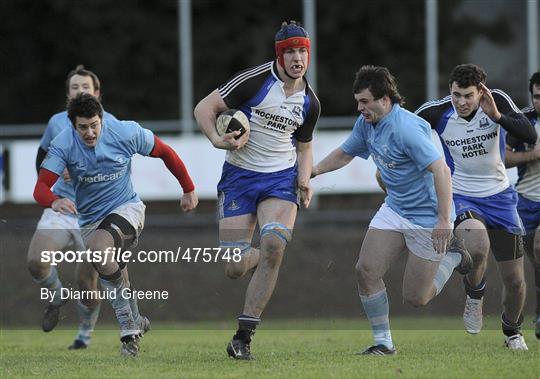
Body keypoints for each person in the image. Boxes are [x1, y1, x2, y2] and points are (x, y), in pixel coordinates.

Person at [311, 65, 471, 355]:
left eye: (364, 101)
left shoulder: (406, 128)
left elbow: (442, 171)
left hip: (427, 216)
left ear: (385, 99)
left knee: (416, 298)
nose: (359, 108)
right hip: (395, 209)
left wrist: (444, 220)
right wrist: (311, 172)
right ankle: (384, 343)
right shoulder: (367, 123)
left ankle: (452, 258)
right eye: (357, 101)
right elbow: (345, 153)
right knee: (365, 270)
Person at [33, 93, 198, 356]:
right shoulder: (63, 143)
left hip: (128, 209)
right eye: (83, 127)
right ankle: (137, 319)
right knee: (111, 266)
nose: (89, 132)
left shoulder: (124, 131)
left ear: (102, 119)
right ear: (72, 125)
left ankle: (128, 331)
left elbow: (165, 152)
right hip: (89, 221)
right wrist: (54, 201)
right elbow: (41, 187)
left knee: (100, 248)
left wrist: (188, 189)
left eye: (94, 125)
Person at [194, 20, 320, 360]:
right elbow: (203, 109)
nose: (297, 58)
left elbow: (305, 146)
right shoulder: (253, 81)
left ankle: (243, 338)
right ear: (279, 55)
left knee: (274, 244)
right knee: (234, 267)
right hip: (239, 178)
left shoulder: (310, 102)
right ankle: (260, 258)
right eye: (290, 51)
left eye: (302, 51)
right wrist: (218, 139)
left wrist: (305, 179)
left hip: (281, 179)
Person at [416, 64, 537, 350]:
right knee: (477, 242)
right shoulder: (437, 111)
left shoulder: (497, 101)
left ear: (480, 91)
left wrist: (496, 116)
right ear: (450, 90)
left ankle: (512, 332)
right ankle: (475, 294)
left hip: (501, 197)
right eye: (456, 94)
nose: (461, 102)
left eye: (468, 96)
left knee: (516, 282)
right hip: (462, 196)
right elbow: (405, 127)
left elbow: (529, 135)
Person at [27, 65, 116, 349]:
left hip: (95, 213)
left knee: (86, 280)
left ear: (97, 93)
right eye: (74, 88)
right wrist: (53, 179)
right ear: (68, 95)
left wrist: (80, 168)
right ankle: (55, 295)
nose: (80, 91)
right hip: (63, 207)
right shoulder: (56, 123)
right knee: (36, 262)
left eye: (85, 87)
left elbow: (118, 166)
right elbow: (42, 158)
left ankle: (85, 333)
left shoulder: (113, 125)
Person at [505, 71, 540, 339]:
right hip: (525, 201)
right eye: (537, 97)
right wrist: (532, 154)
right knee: (527, 263)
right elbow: (503, 158)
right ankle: (514, 325)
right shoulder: (523, 121)